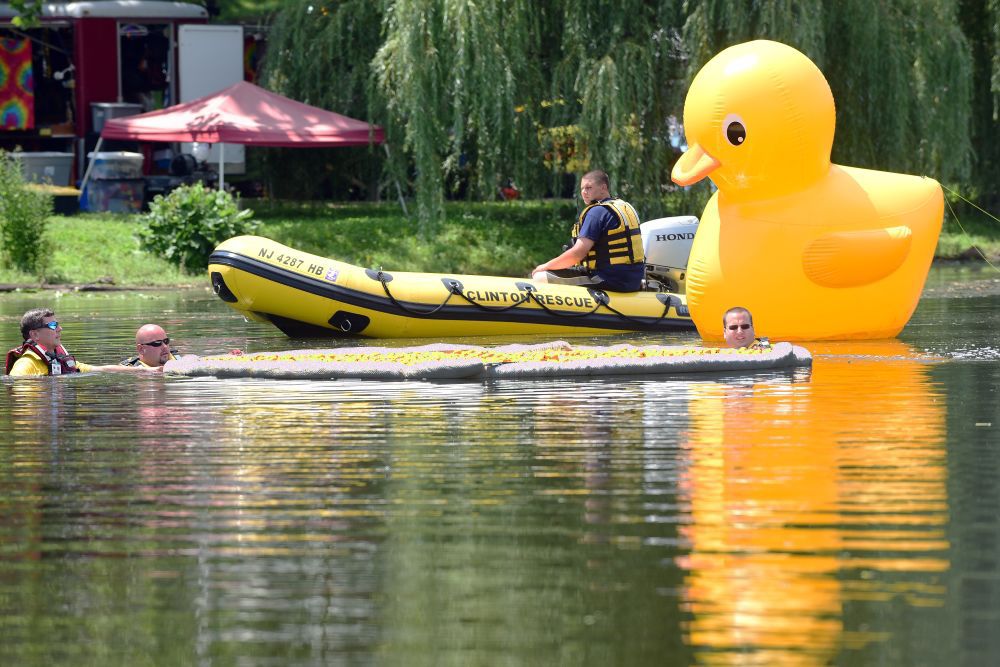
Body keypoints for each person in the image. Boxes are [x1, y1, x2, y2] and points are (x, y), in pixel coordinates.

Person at [531, 169, 645, 292]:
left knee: (540, 277)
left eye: (589, 187)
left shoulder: (597, 212)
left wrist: (545, 266)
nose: (584, 192)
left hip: (608, 280)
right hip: (633, 280)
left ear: (603, 187)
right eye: (582, 189)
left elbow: (578, 253)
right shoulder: (624, 207)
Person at [5, 308, 161, 377]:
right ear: (35, 334)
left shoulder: (57, 359)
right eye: (53, 325)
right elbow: (17, 390)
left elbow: (101, 369)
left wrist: (148, 371)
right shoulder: (26, 365)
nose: (60, 329)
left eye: (58, 324)